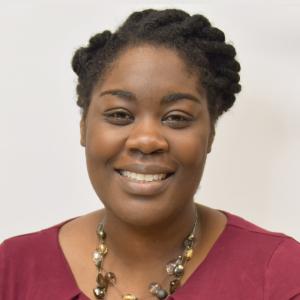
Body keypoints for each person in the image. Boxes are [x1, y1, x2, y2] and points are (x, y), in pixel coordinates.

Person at [1, 8, 300, 300]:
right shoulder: (13, 270)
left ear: (211, 133)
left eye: (177, 117)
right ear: (83, 128)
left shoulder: (281, 276)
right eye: (119, 114)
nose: (146, 140)